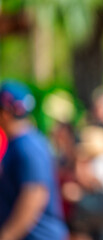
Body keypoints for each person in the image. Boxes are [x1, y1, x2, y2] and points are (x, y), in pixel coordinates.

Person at [0, 80, 68, 240]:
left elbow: (34, 195)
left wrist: (6, 236)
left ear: (5, 113)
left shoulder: (26, 146)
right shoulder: (23, 142)